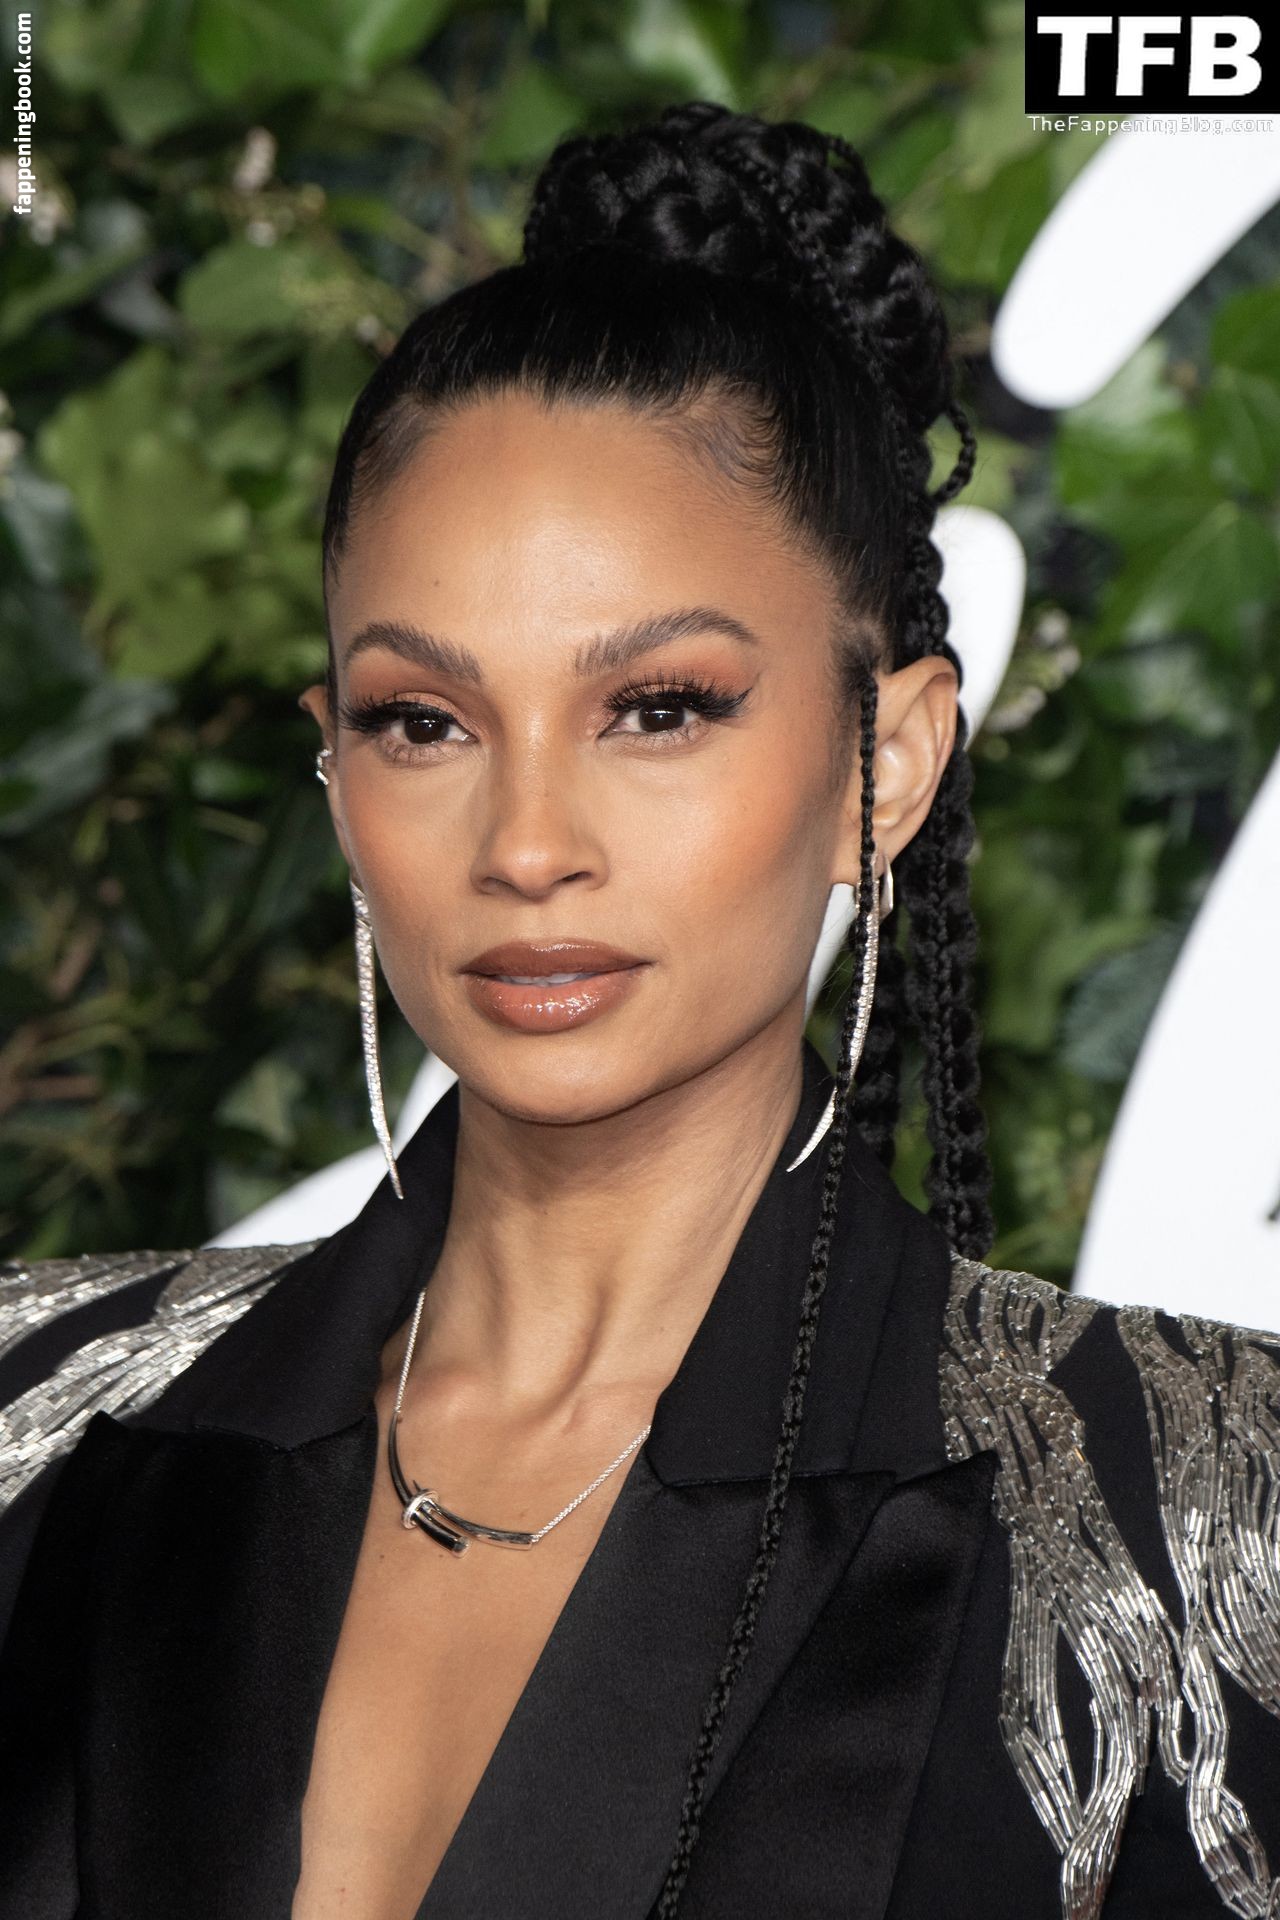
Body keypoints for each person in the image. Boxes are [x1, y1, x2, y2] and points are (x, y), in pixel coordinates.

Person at [1, 100, 1278, 1920]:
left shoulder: (1199, 1515)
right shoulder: (38, 1422)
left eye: (659, 709)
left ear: (889, 758)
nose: (528, 845)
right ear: (335, 764)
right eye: (423, 721)